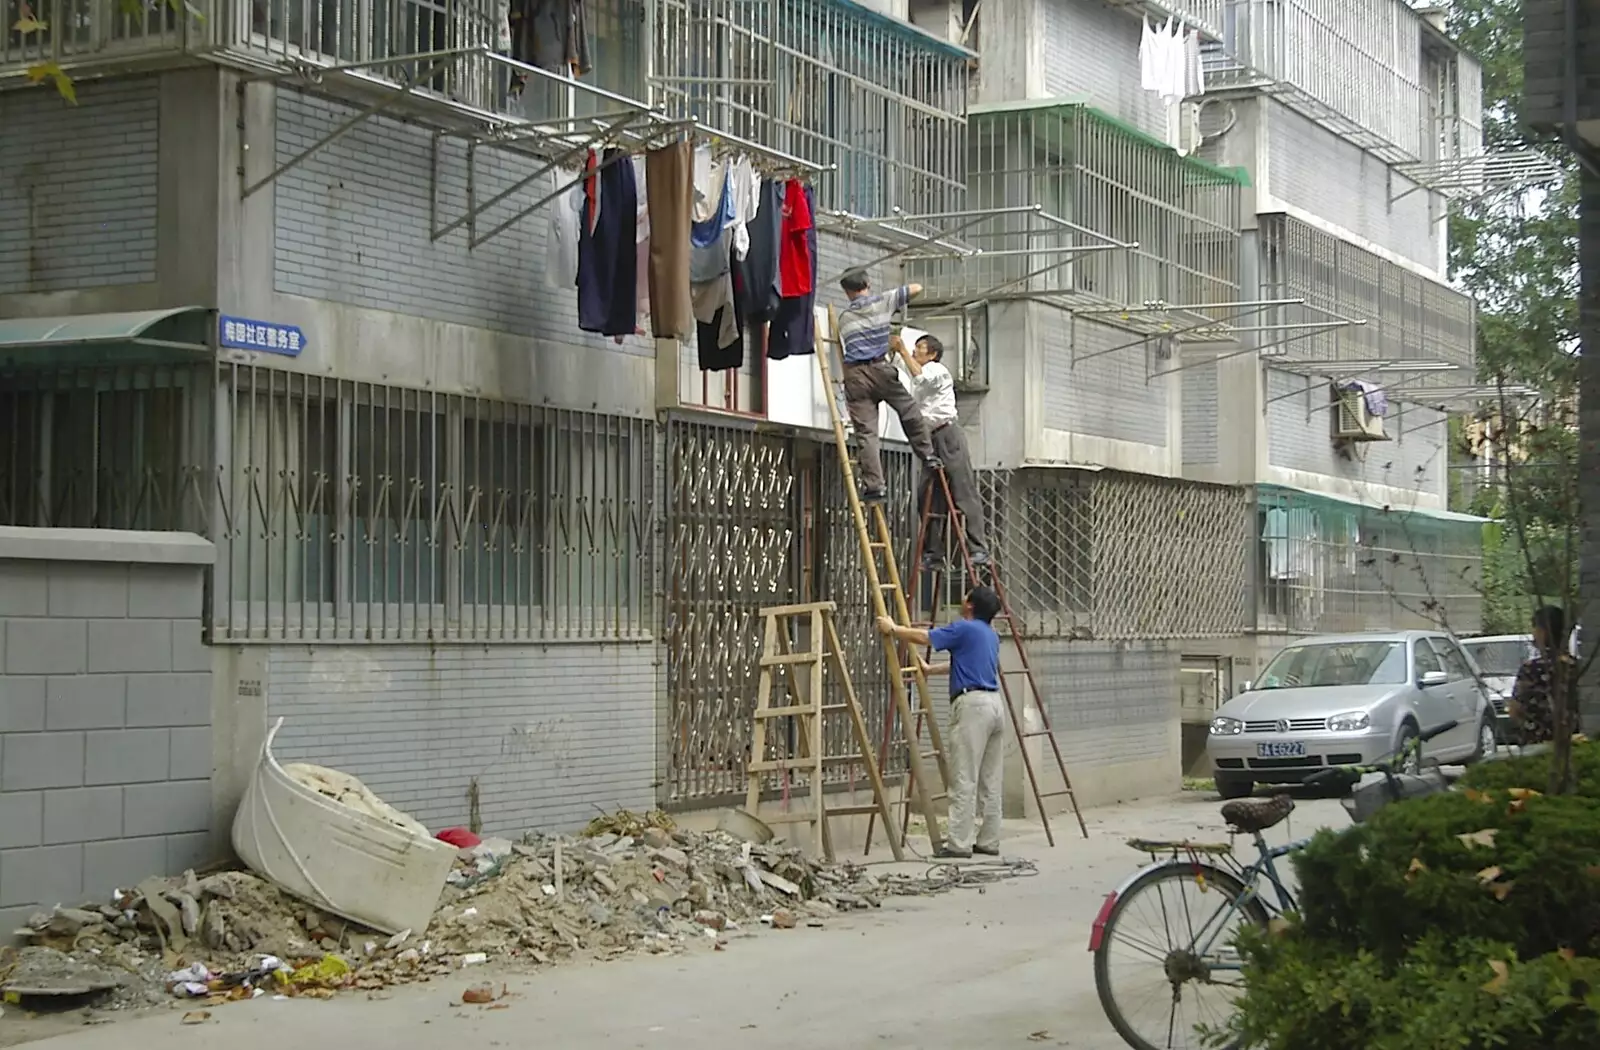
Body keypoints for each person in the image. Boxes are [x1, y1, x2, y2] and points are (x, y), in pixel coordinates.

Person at [878, 585, 1004, 859]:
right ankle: (989, 841)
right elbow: (966, 664)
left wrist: (893, 629)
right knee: (991, 780)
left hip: (972, 707)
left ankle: (959, 844)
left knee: (964, 777)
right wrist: (931, 670)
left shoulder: (964, 628)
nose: (962, 599)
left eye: (965, 596)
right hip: (995, 704)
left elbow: (925, 637)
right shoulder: (991, 635)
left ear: (970, 605)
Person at [835, 269, 940, 503]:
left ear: (846, 291)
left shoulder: (843, 319)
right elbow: (916, 288)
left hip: (855, 376)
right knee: (909, 410)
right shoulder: (883, 301)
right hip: (880, 370)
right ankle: (927, 455)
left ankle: (875, 487)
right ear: (867, 283)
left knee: (867, 434)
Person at [897, 333, 990, 569]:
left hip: (948, 434)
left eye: (920, 348)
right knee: (927, 495)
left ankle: (979, 548)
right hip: (931, 439)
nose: (916, 351)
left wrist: (902, 351)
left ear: (932, 354)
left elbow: (921, 379)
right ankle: (934, 552)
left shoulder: (937, 370)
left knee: (963, 490)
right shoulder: (917, 373)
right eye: (915, 348)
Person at [1508, 604, 1570, 746]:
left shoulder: (1531, 669)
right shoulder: (1576, 667)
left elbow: (1515, 709)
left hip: (1538, 743)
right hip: (1573, 742)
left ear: (1543, 632)